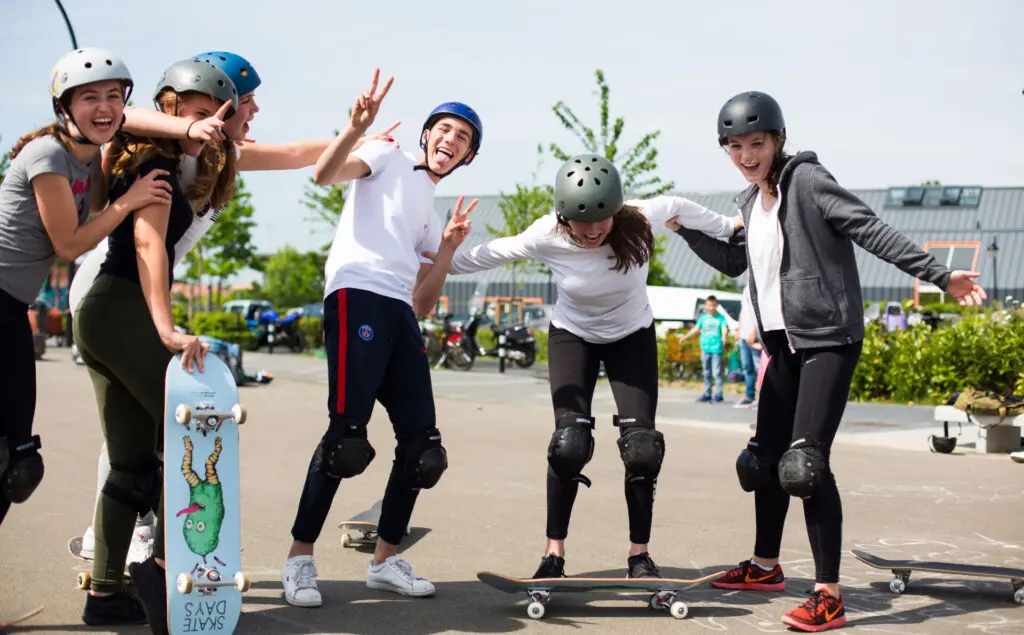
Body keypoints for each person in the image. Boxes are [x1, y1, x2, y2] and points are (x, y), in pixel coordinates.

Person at [670, 90, 987, 632]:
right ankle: (766, 567)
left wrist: (938, 274)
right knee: (764, 460)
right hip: (781, 345)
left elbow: (868, 228)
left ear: (778, 140)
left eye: (757, 143)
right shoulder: (750, 203)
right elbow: (732, 261)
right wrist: (680, 227)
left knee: (805, 463)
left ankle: (827, 594)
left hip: (827, 340)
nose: (747, 155)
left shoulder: (808, 182)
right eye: (736, 146)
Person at [69, 49, 399, 569]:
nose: (246, 113)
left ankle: (122, 552)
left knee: (139, 429)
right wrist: (167, 327)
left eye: (233, 105)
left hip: (146, 288)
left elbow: (294, 152)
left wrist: (358, 136)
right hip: (114, 282)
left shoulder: (220, 155)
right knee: (158, 427)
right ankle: (141, 543)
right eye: (244, 102)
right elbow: (122, 123)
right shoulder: (153, 147)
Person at [442, 153, 741, 580]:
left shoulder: (639, 218)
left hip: (632, 336)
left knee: (642, 449)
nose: (594, 233)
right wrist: (438, 255)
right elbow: (487, 255)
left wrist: (726, 227)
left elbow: (677, 205)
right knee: (569, 445)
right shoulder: (545, 233)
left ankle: (639, 555)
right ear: (563, 218)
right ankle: (554, 554)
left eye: (603, 224)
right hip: (573, 336)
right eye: (583, 228)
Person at [280, 69, 481, 607]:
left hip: (399, 311)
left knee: (423, 449)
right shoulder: (385, 154)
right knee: (347, 439)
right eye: (445, 130)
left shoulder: (433, 210)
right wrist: (355, 128)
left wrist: (447, 249)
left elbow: (424, 302)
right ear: (427, 135)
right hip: (356, 294)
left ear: (467, 157)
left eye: (463, 139)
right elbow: (323, 175)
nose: (451, 141)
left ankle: (385, 561)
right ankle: (300, 558)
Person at [72, 59, 240, 630]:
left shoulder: (142, 152)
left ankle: (104, 595)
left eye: (217, 114)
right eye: (195, 113)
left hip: (101, 314)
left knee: (130, 464)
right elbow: (149, 245)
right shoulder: (155, 158)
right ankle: (169, 580)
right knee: (188, 438)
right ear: (167, 108)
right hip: (124, 310)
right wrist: (166, 327)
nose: (208, 123)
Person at [0, 47, 171, 530]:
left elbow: (98, 195)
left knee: (19, 466)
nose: (104, 108)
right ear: (64, 108)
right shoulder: (48, 155)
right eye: (89, 98)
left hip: (12, 310)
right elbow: (70, 243)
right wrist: (132, 200)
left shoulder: (88, 156)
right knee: (9, 461)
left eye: (114, 97)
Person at [675, 295, 730, 403]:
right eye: (709, 305)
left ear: (717, 305)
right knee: (706, 372)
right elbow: (696, 329)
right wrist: (685, 337)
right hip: (705, 348)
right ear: (705, 306)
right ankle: (707, 393)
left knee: (717, 373)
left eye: (714, 305)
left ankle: (718, 394)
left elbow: (724, 328)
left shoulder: (721, 318)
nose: (711, 308)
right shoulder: (703, 318)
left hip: (716, 349)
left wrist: (724, 336)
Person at [735, 284, 762, 408]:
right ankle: (749, 395)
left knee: (759, 368)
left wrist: (754, 332)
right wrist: (739, 330)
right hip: (744, 335)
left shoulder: (759, 285)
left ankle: (761, 396)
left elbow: (760, 312)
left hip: (754, 335)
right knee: (747, 367)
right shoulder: (746, 287)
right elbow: (743, 311)